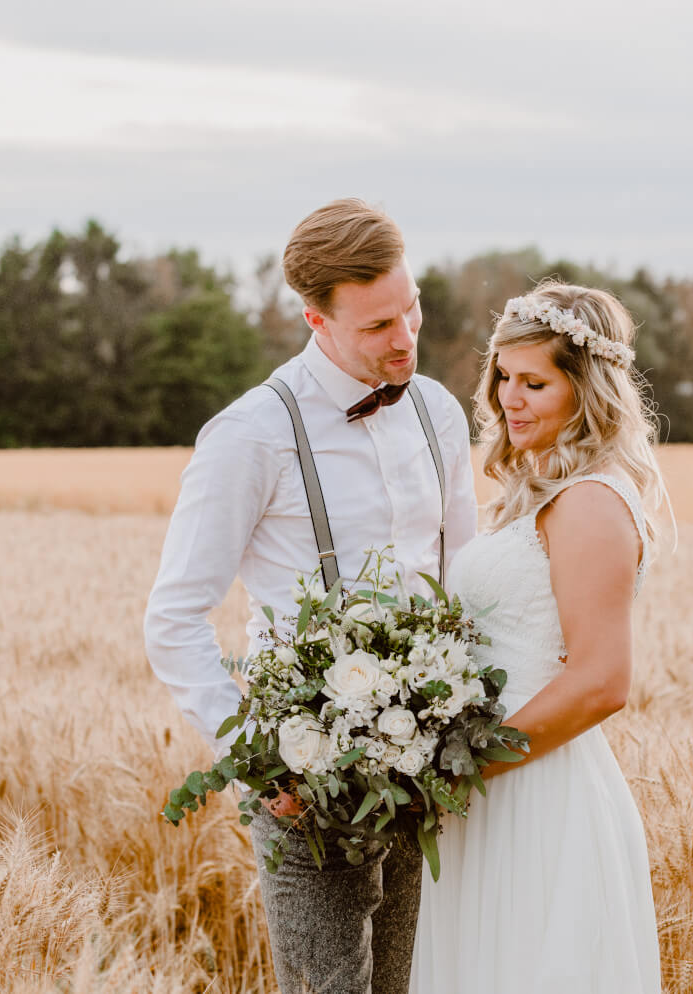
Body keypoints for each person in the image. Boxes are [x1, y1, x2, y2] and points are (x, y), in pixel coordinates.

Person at [143, 198, 478, 994]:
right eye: (375, 327)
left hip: (427, 771)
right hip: (307, 784)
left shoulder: (438, 410)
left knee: (408, 984)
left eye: (411, 310)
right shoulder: (251, 433)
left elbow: (464, 581)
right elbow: (174, 616)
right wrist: (260, 762)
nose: (404, 339)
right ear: (314, 319)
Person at [411, 282, 669, 993]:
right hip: (487, 793)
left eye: (534, 382)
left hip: (536, 795)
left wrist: (461, 769)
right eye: (502, 377)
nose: (509, 399)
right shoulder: (542, 494)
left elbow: (601, 682)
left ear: (585, 390)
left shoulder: (589, 503)